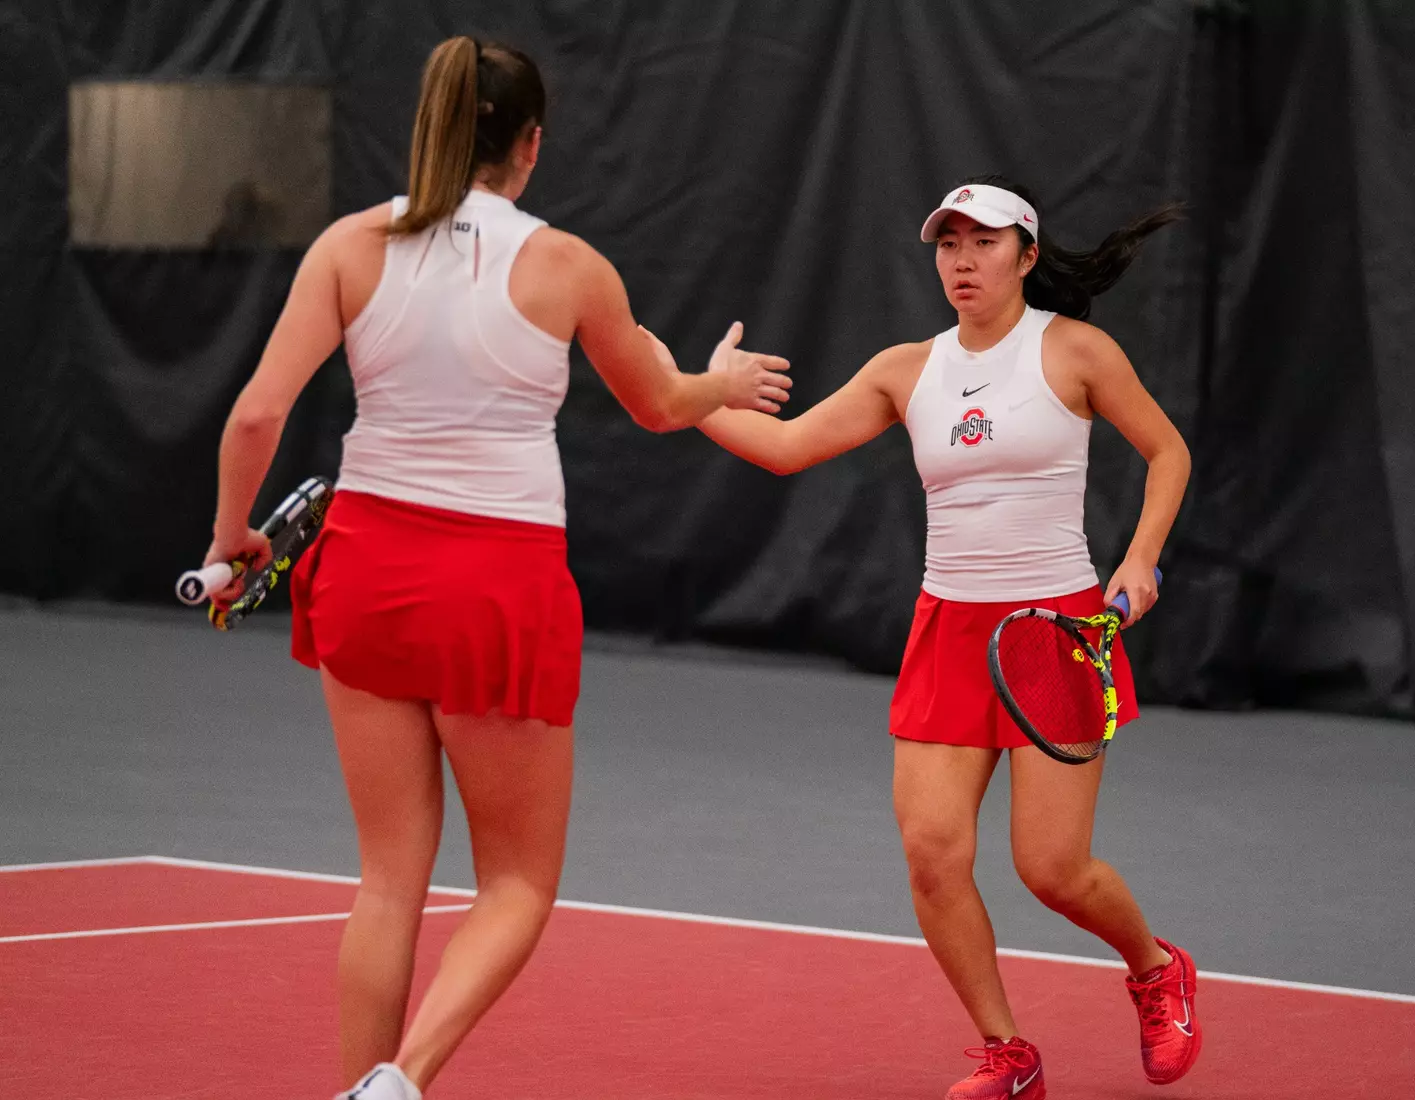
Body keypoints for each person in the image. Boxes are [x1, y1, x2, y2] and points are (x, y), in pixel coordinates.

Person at [199, 36, 790, 1100]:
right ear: (532, 145)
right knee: (516, 882)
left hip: (365, 572)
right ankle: (404, 1079)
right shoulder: (569, 266)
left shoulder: (346, 246)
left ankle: (364, 1088)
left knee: (387, 880)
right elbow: (662, 405)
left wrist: (229, 536)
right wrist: (725, 382)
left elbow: (254, 415)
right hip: (497, 586)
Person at [692, 177, 1197, 1096]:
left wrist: (1140, 558)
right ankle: (1009, 1054)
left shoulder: (1077, 350)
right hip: (949, 633)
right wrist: (684, 392)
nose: (963, 261)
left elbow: (1169, 451)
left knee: (1053, 870)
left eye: (984, 242)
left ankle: (1157, 970)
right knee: (932, 856)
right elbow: (787, 447)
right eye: (949, 244)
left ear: (1027, 256)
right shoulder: (905, 369)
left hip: (1056, 632)